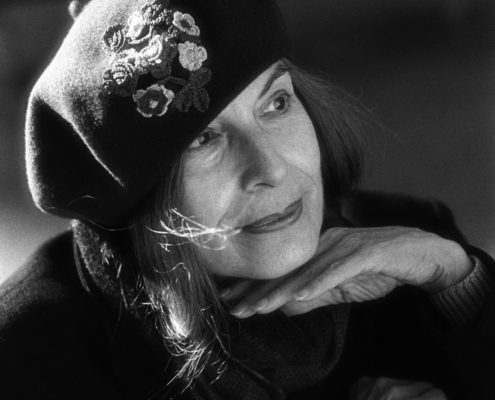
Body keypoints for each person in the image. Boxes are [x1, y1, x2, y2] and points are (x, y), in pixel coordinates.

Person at [1, 0, 494, 399]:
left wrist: (457, 284)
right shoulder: (28, 359)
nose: (271, 169)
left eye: (276, 103)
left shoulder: (414, 252)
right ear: (137, 194)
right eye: (203, 139)